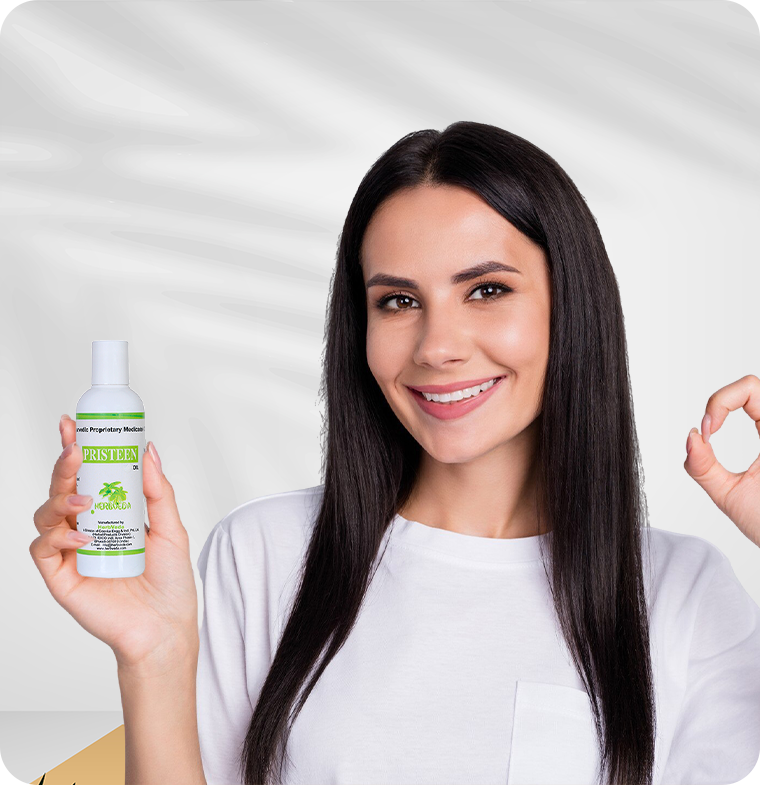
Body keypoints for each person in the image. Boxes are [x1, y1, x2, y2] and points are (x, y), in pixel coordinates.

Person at [31, 121, 760, 785]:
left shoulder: (682, 592)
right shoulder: (263, 553)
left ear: (572, 306)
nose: (436, 347)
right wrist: (153, 656)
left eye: (486, 289)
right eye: (398, 302)